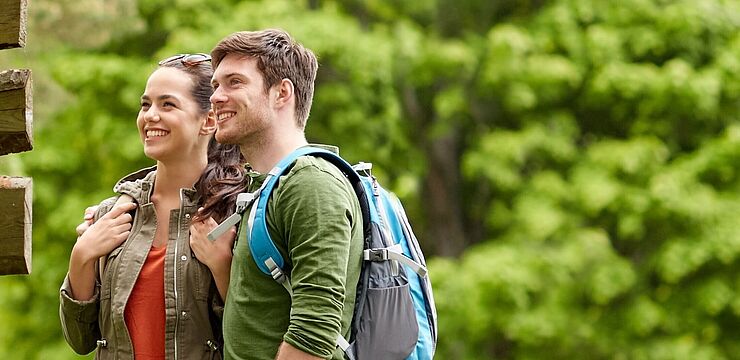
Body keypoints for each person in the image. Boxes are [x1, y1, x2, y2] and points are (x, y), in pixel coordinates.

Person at [59, 53, 245, 360]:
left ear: (209, 120)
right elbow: (81, 341)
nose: (150, 116)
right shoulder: (114, 215)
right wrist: (81, 256)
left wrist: (222, 267)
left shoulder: (232, 213)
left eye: (167, 104)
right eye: (146, 104)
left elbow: (251, 338)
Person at [204, 29, 364, 360]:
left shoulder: (311, 184)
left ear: (282, 93)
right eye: (215, 85)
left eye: (234, 82)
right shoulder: (267, 185)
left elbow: (314, 333)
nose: (216, 97)